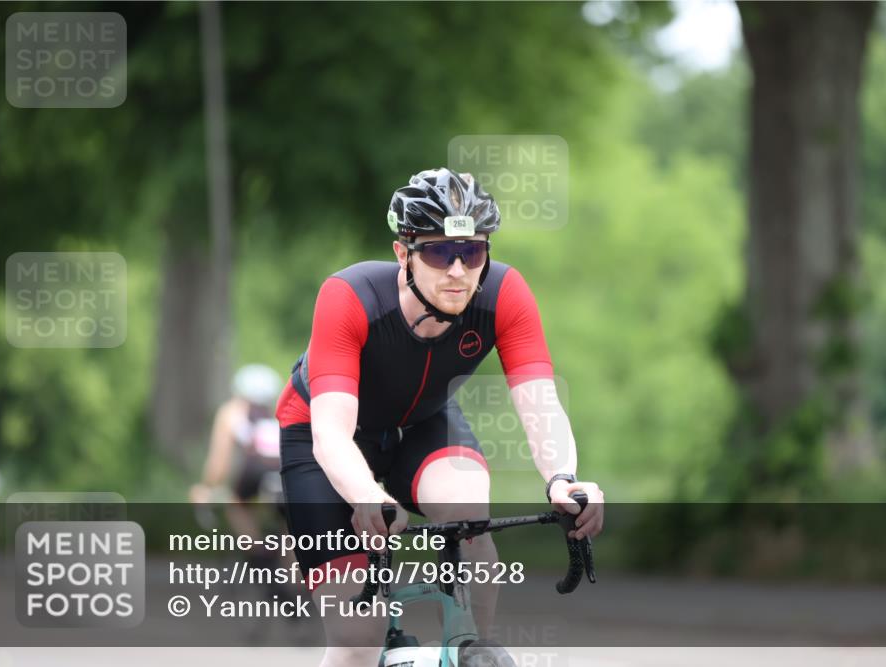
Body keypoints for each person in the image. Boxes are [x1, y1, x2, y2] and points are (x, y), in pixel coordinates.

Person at [275, 168, 605, 666]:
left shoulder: (505, 295)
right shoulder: (350, 296)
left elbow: (540, 402)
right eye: (437, 252)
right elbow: (331, 433)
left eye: (472, 252)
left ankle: (474, 649)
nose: (457, 270)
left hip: (423, 421)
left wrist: (563, 479)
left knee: (468, 506)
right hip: (323, 435)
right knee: (356, 639)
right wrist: (366, 495)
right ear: (402, 254)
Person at [191, 364, 284, 540]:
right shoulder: (279, 413)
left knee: (237, 503)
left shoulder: (232, 412)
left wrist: (208, 486)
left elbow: (219, 461)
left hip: (254, 471)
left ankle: (258, 552)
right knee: (288, 527)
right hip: (284, 470)